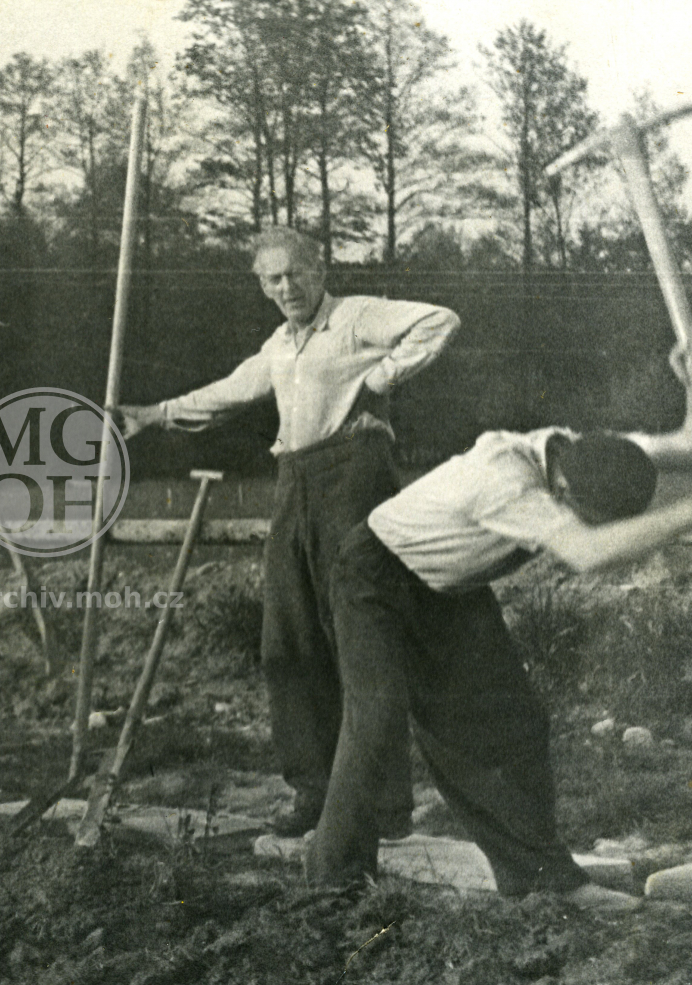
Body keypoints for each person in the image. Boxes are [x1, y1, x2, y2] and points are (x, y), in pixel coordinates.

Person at [304, 337, 692, 911]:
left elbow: (691, 444)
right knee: (377, 717)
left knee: (513, 720)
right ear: (564, 491)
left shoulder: (586, 451)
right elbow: (587, 552)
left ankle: (541, 880)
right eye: (590, 516)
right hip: (372, 576)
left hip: (447, 586)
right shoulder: (507, 481)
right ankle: (331, 885)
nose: (594, 524)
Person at [116, 226, 459, 836]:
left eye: (295, 273)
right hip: (294, 482)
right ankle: (314, 793)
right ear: (262, 287)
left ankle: (383, 807)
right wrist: (155, 414)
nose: (286, 287)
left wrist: (382, 378)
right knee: (288, 642)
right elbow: (230, 391)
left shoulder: (355, 317)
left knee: (360, 642)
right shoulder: (279, 344)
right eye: (273, 279)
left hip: (354, 480)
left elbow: (439, 320)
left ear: (319, 270)